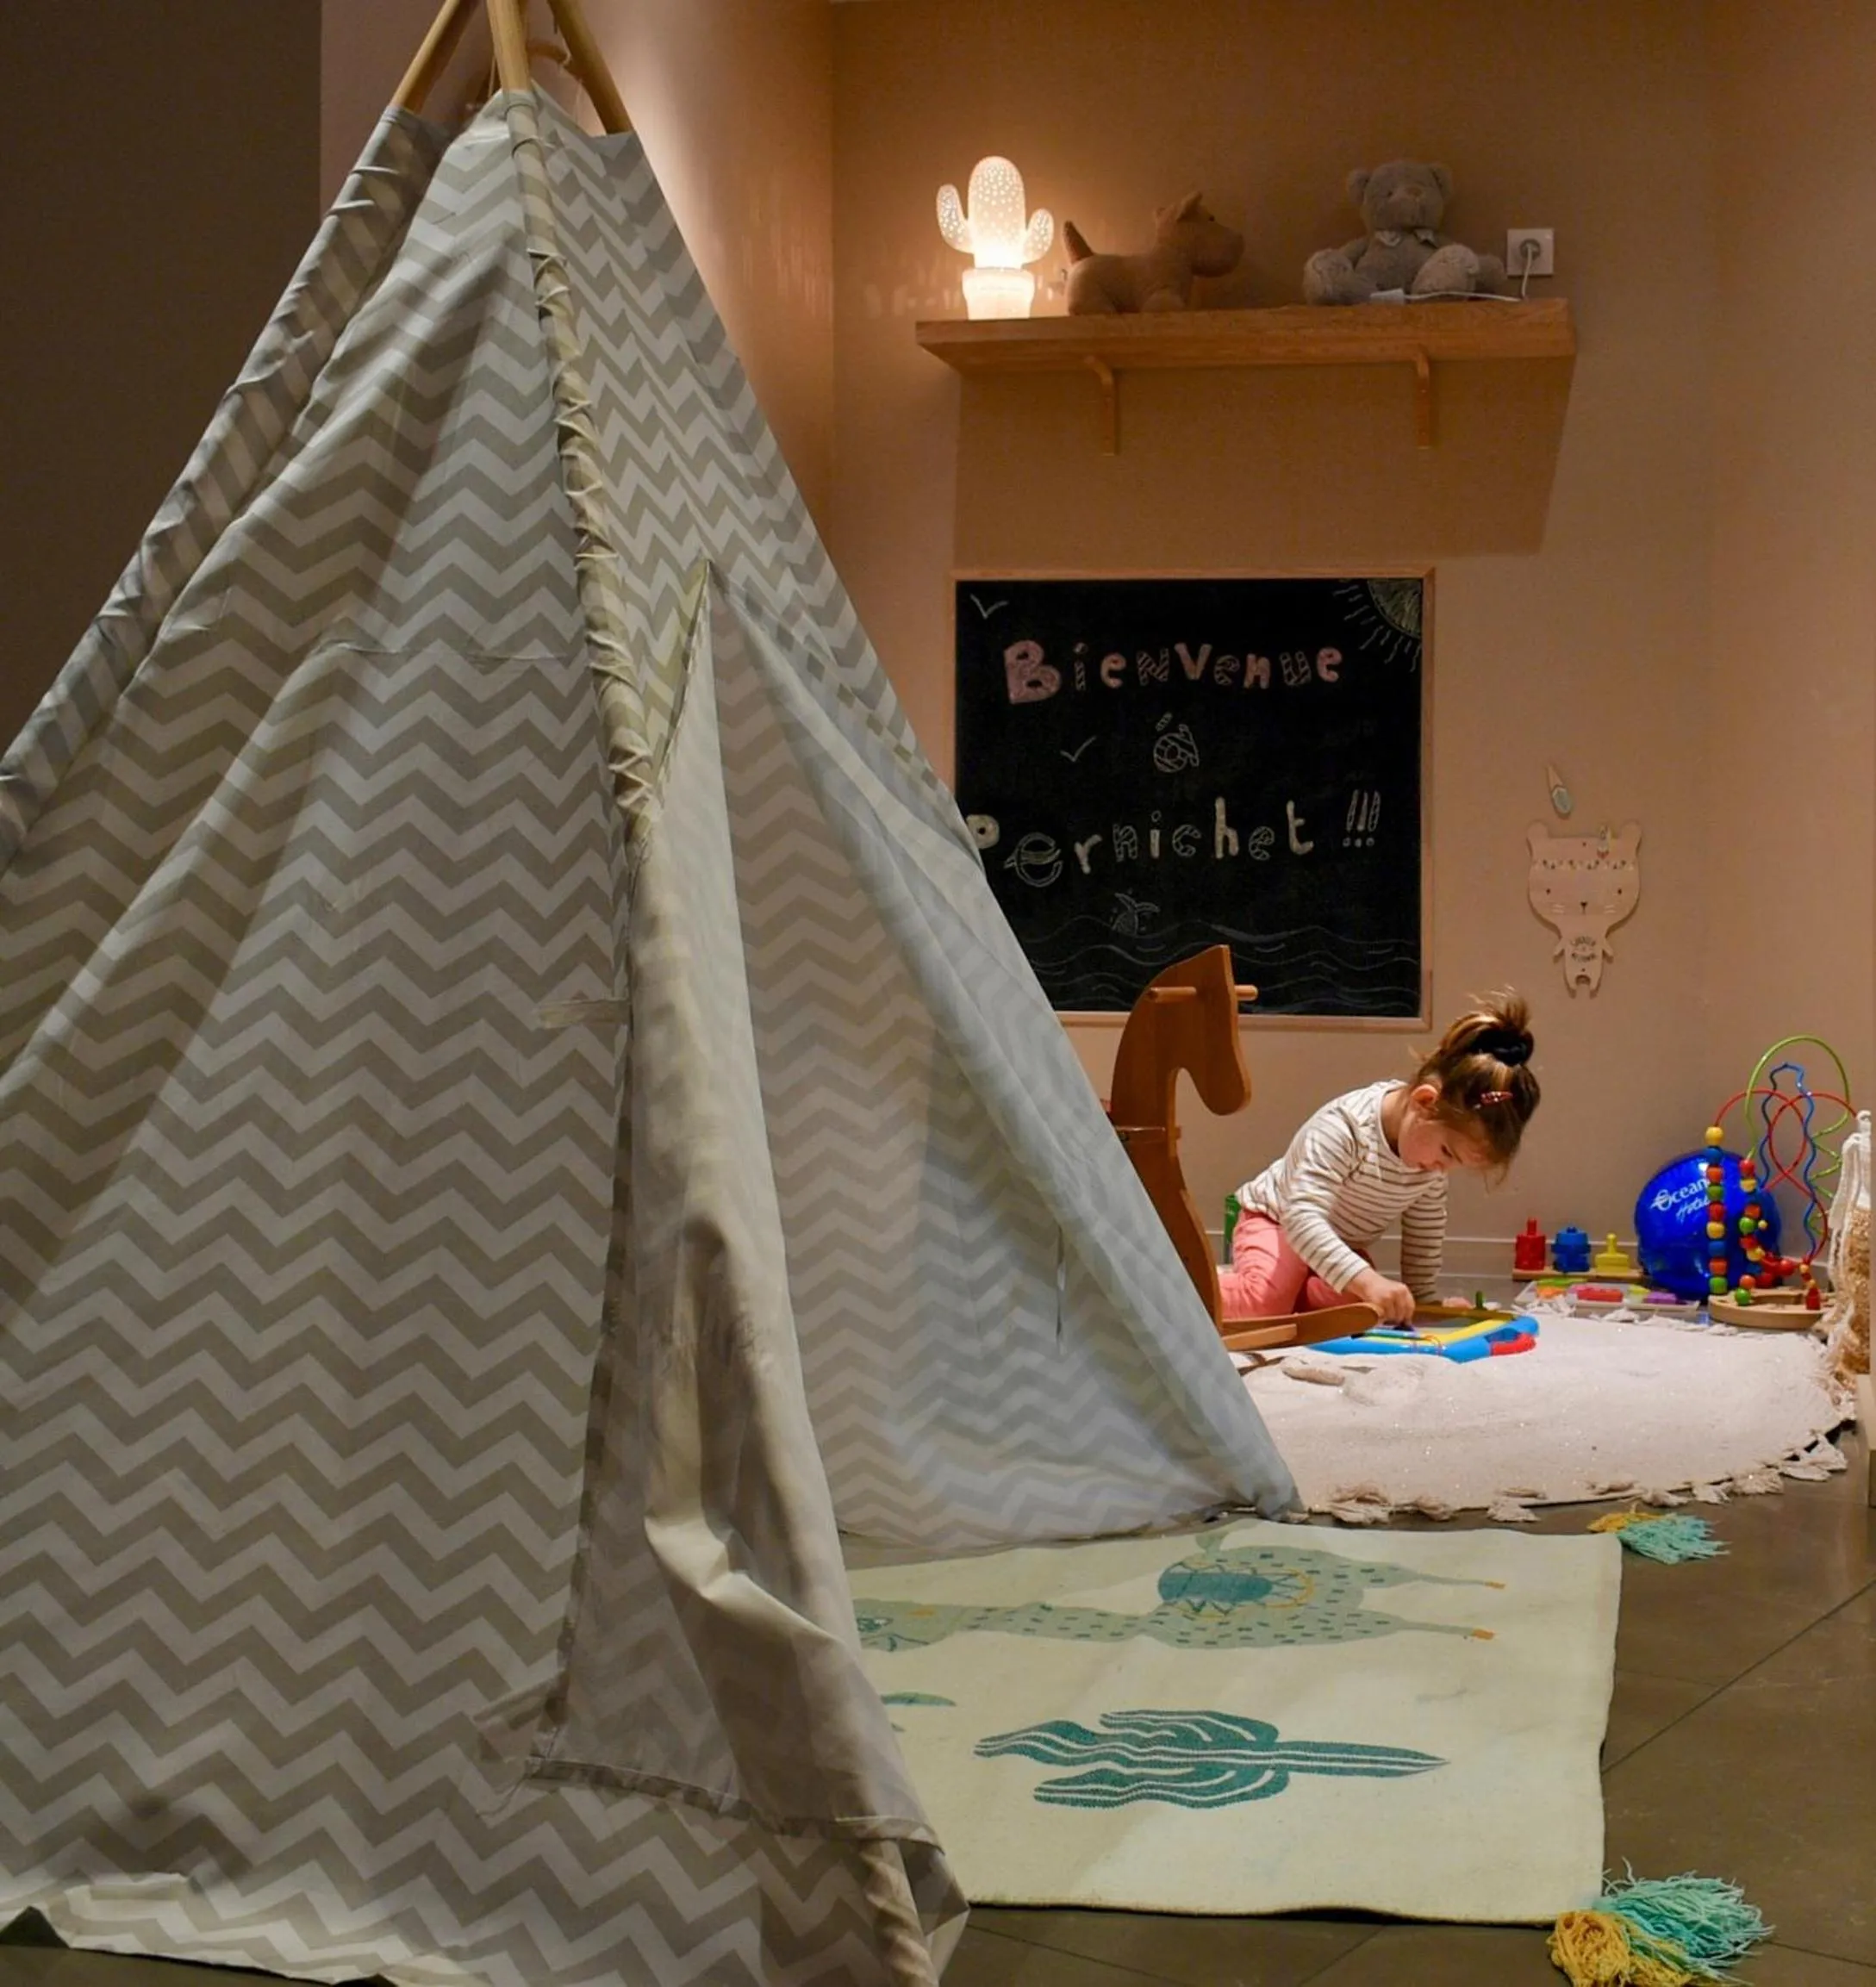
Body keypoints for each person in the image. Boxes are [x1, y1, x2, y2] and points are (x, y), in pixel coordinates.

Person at [1219, 994, 1540, 1324]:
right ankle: (1189, 1287)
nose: (1443, 1169)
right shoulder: (1346, 1128)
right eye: (1447, 1153)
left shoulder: (1428, 1162)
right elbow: (1301, 1219)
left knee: (1366, 1311)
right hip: (1280, 1222)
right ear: (1424, 1102)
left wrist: (1423, 1299)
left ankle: (1293, 1293)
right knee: (1261, 1304)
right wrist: (1367, 1279)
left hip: (1335, 1245)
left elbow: (1424, 1232)